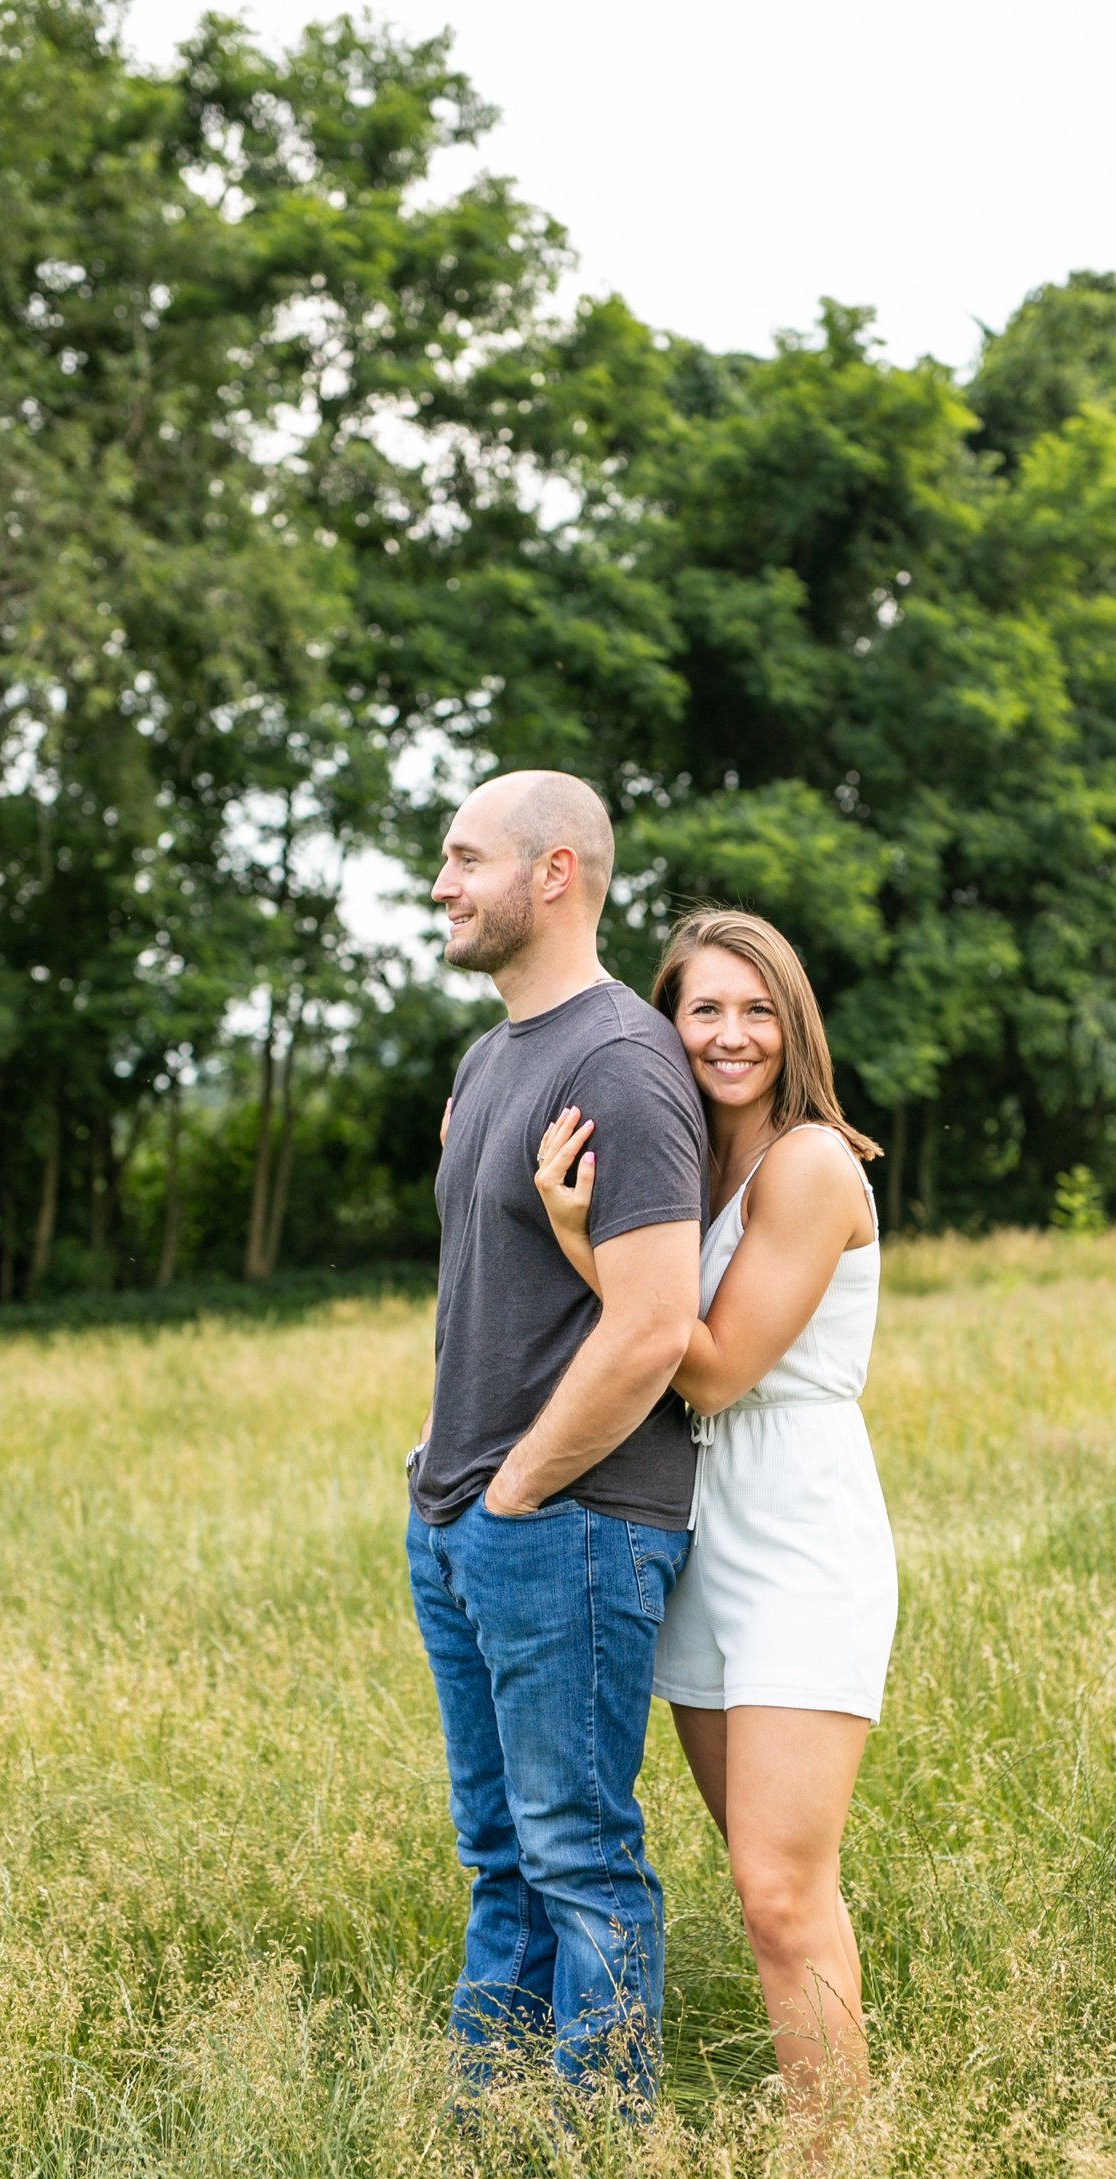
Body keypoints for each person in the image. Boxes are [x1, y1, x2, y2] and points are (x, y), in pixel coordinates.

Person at [533, 909, 897, 2136]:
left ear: (793, 1024)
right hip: (693, 1526)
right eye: (704, 1009)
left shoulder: (808, 1165)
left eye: (757, 1009)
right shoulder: (687, 1166)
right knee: (758, 1887)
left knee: (783, 1889)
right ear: (667, 1020)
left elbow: (715, 1368)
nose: (732, 1034)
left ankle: (837, 2165)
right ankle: (823, 2127)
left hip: (795, 1526)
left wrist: (588, 1247)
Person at [405, 769, 705, 2107]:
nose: (441, 883)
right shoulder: (491, 1057)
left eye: (465, 858)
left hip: (569, 1526)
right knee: (501, 1851)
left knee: (579, 1853)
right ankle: (488, 2128)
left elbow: (651, 1326)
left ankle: (595, 2152)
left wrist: (518, 1489)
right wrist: (439, 1483)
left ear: (556, 872)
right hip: (462, 1519)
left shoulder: (621, 1065)